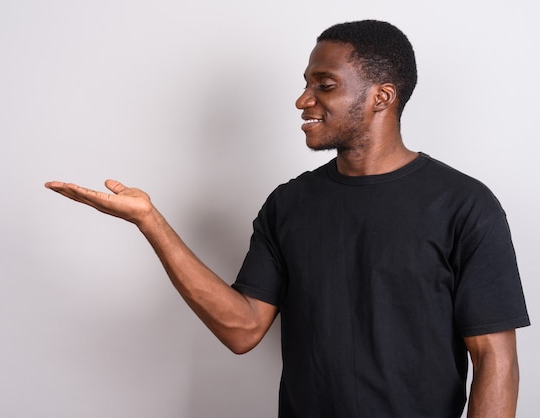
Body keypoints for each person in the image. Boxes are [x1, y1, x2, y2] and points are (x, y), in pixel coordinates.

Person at [45, 20, 529, 417]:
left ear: (382, 97)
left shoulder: (463, 205)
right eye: (305, 84)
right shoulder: (290, 204)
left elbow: (494, 359)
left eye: (325, 85)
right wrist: (150, 221)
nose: (303, 100)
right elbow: (242, 329)